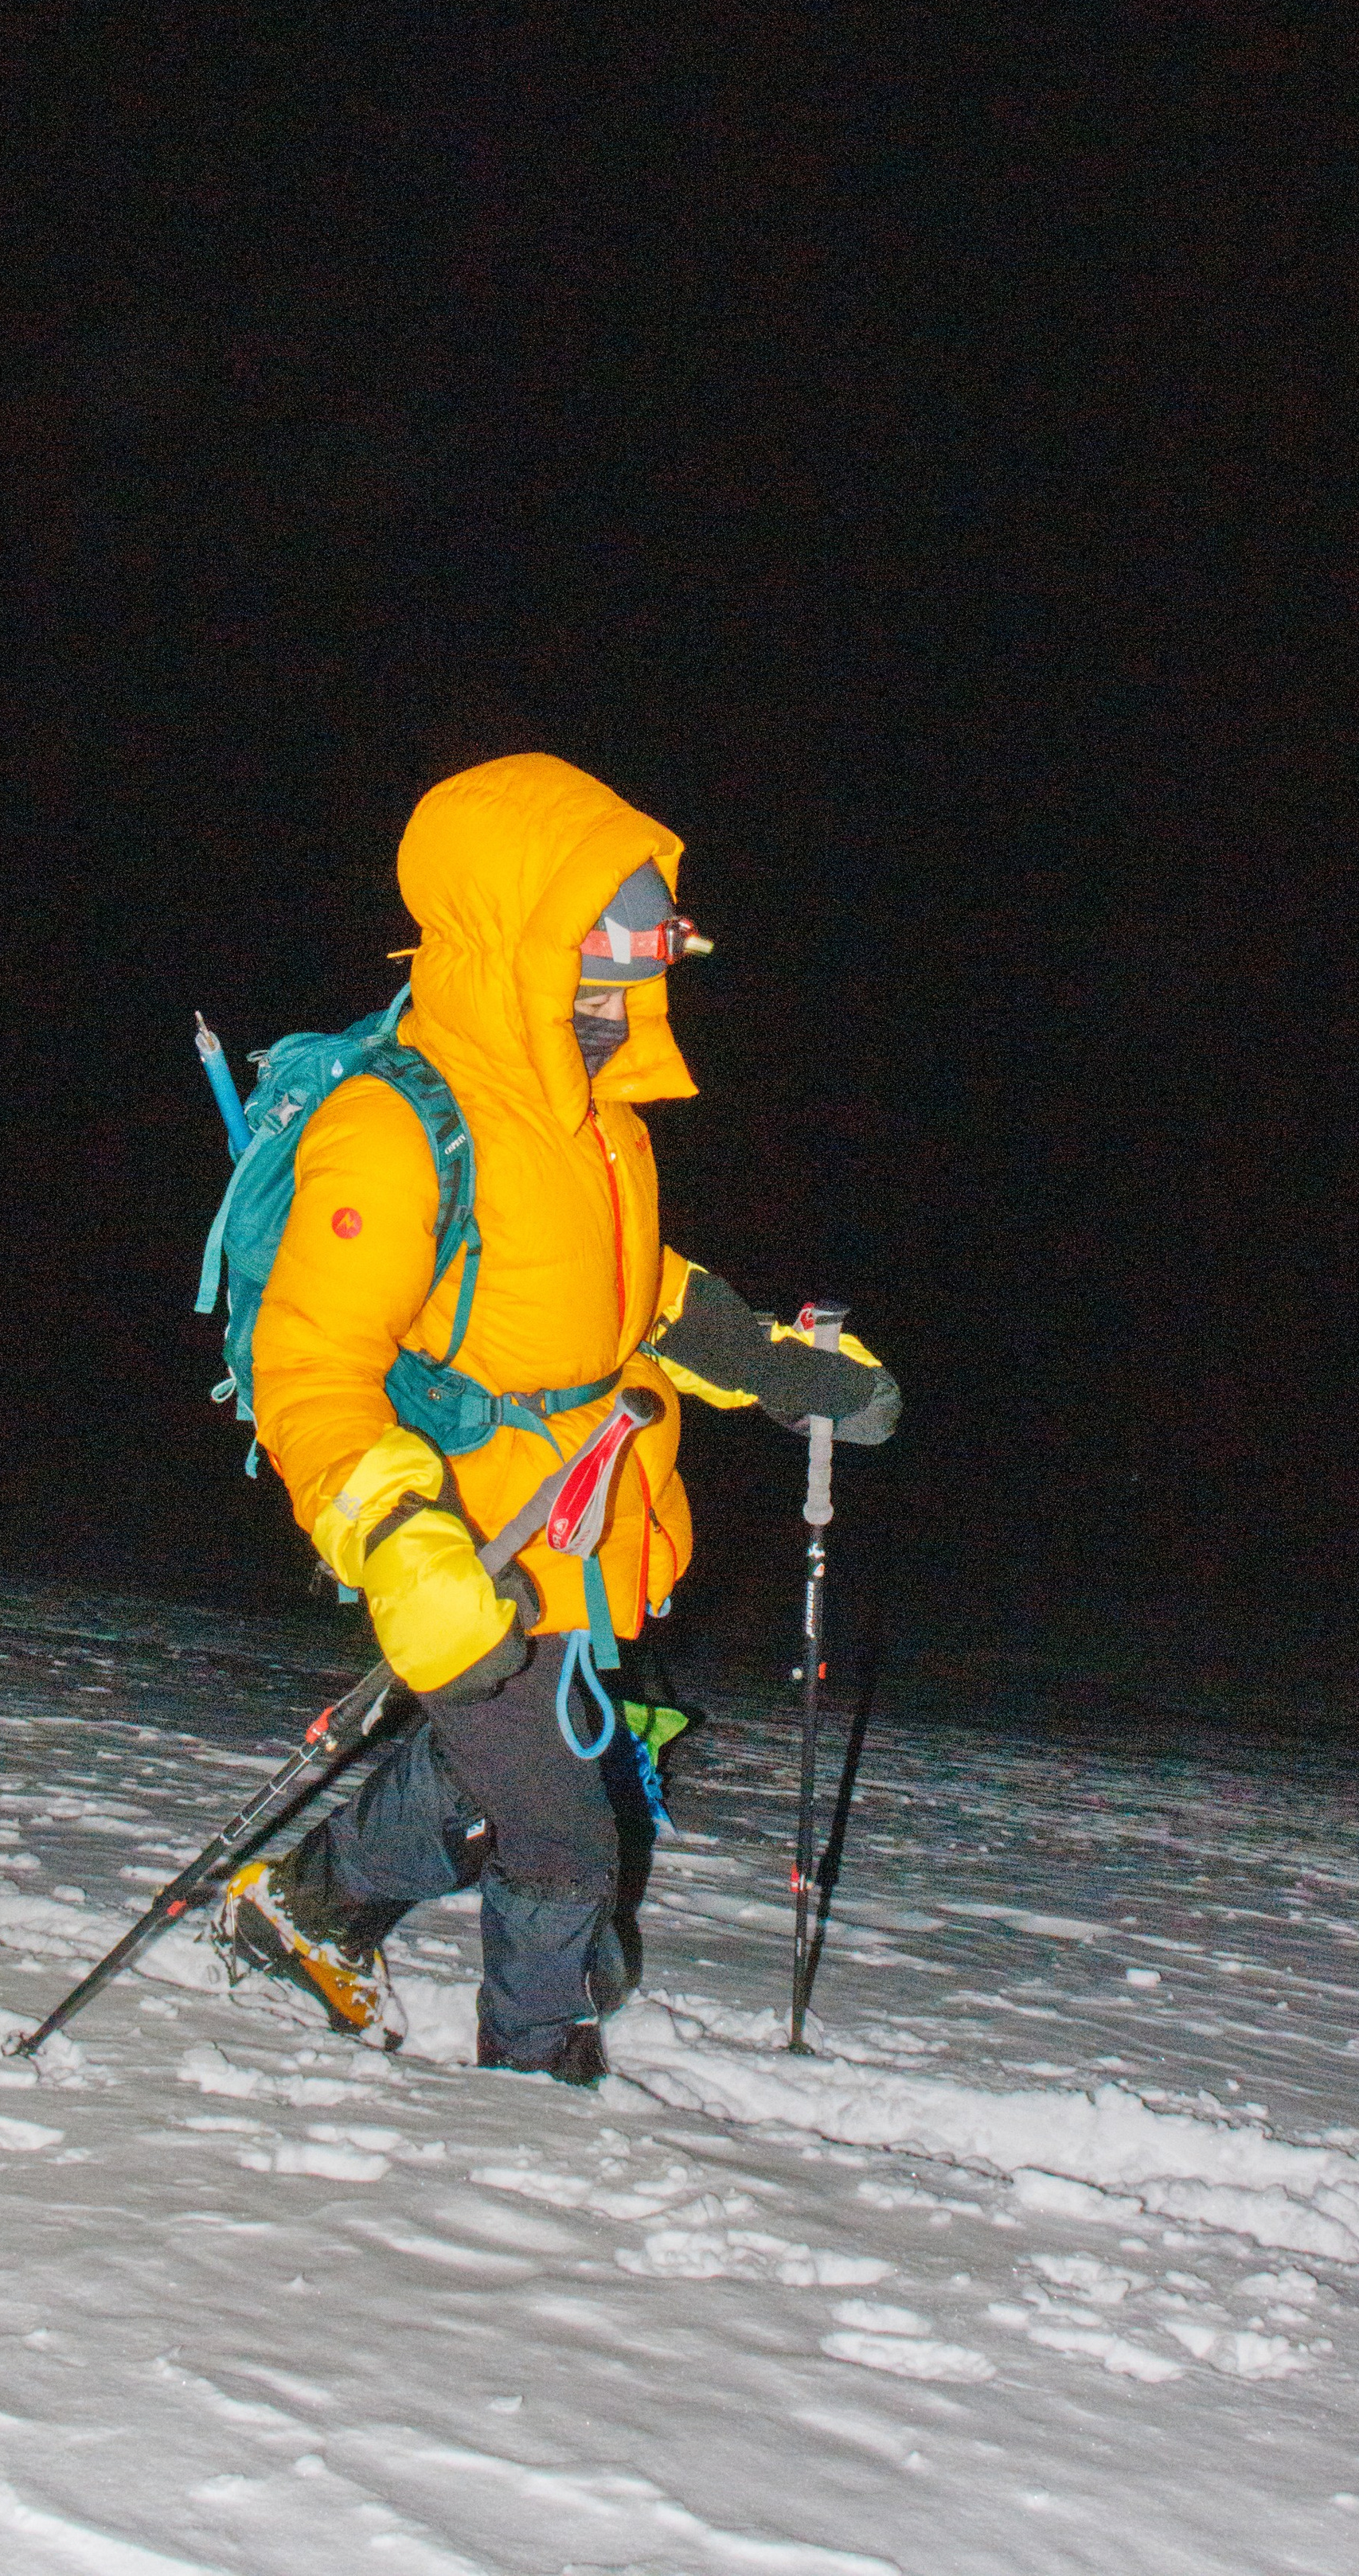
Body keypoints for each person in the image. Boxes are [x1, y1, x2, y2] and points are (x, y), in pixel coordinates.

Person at [219, 752, 899, 2084]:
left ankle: (308, 1906)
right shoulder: (397, 1122)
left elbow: (630, 1288)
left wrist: (777, 1366)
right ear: (522, 933)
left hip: (580, 1516)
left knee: (495, 1778)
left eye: (660, 945)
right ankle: (535, 2085)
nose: (649, 974)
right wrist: (394, 1533)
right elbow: (314, 1361)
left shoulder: (595, 1122)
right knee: (564, 1836)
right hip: (461, 1529)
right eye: (625, 942)